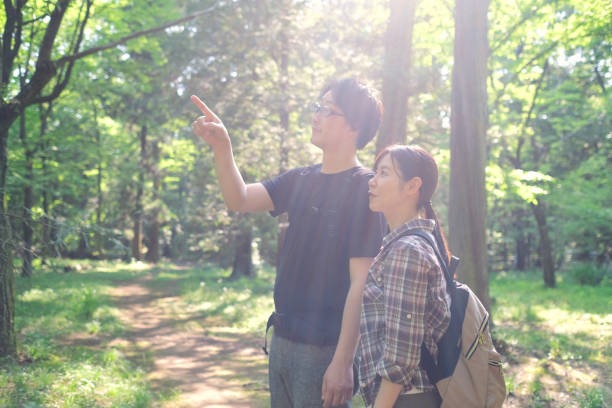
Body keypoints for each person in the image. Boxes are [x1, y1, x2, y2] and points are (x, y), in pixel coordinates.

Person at [190, 78, 385, 408]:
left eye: (328, 109)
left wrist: (342, 362)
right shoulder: (300, 179)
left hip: (325, 349)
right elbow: (239, 198)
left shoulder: (365, 189)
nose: (316, 115)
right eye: (317, 106)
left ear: (355, 126)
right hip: (281, 339)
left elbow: (361, 284)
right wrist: (223, 149)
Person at [358, 145, 451, 408]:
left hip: (407, 399)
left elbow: (402, 354)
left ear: (412, 186)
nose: (372, 181)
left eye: (384, 173)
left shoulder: (407, 251)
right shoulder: (415, 244)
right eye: (375, 172)